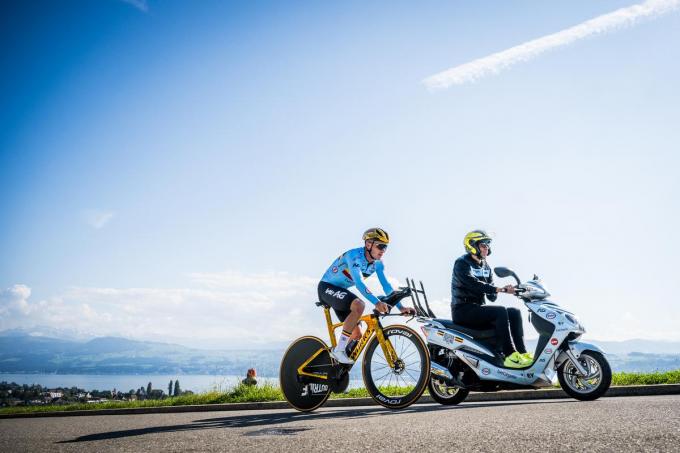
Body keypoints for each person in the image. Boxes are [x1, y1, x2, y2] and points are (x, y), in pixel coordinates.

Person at [318, 228, 415, 364]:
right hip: (326, 287)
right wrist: (377, 303)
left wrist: (401, 307)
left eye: (385, 247)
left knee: (357, 334)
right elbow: (359, 283)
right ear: (368, 244)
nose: (383, 250)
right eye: (380, 246)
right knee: (359, 305)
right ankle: (338, 351)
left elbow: (386, 286)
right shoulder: (354, 256)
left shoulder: (378, 264)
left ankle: (333, 365)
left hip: (341, 292)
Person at [450, 230, 532, 368]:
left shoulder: (486, 266)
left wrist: (506, 289)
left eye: (488, 245)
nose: (486, 248)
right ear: (472, 245)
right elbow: (472, 283)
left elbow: (491, 297)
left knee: (514, 312)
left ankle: (522, 354)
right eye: (483, 244)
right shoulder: (462, 263)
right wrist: (497, 289)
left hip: (478, 309)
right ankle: (510, 355)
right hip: (462, 310)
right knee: (500, 311)